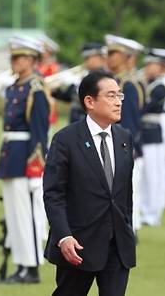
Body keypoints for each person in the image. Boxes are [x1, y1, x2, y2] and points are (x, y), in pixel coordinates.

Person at [44, 71, 136, 296]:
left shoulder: (124, 138)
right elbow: (53, 194)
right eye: (111, 96)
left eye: (119, 96)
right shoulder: (65, 140)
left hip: (117, 245)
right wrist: (63, 236)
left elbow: (124, 193)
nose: (118, 102)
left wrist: (126, 229)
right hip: (78, 245)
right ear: (89, 101)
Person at [0, 35, 51, 284]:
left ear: (32, 59)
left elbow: (40, 132)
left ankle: (31, 267)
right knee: (15, 217)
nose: (14, 61)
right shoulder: (14, 87)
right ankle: (20, 264)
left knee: (28, 216)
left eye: (19, 57)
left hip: (25, 159)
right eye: (13, 57)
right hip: (10, 156)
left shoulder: (36, 88)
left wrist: (36, 168)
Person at [105, 34, 145, 233]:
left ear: (127, 57)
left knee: (128, 191)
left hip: (124, 145)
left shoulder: (128, 85)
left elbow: (128, 121)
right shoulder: (113, 82)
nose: (109, 57)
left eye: (114, 53)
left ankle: (130, 229)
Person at [139, 48, 165, 226]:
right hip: (148, 129)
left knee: (154, 172)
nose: (146, 68)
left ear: (161, 66)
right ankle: (148, 209)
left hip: (155, 127)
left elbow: (146, 106)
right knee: (148, 172)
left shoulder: (161, 85)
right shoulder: (152, 83)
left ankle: (153, 212)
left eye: (150, 65)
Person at [51, 42, 106, 124]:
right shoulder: (83, 75)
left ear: (98, 57)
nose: (85, 62)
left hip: (91, 121)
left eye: (88, 58)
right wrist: (54, 91)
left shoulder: (104, 77)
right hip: (75, 121)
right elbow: (69, 97)